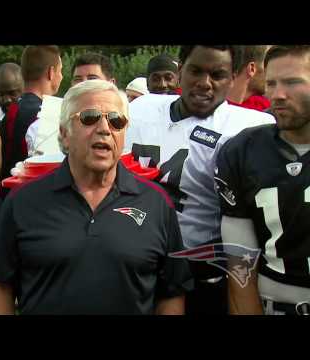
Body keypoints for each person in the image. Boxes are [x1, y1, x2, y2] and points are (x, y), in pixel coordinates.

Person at [0, 79, 193, 315]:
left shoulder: (156, 203)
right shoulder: (23, 201)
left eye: (116, 121)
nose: (105, 128)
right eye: (89, 117)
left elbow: (172, 292)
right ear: (64, 133)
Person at [125, 45, 274, 314]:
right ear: (180, 70)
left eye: (217, 74)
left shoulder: (246, 129)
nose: (205, 83)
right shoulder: (142, 108)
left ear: (232, 79)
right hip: (133, 263)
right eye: (196, 71)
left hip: (198, 273)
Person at [216, 45, 310, 315]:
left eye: (292, 82)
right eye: (271, 84)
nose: (278, 95)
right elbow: (240, 263)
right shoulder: (242, 151)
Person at [0, 46, 63, 182]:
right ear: (51, 73)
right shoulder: (48, 115)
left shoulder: (10, 110)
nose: (61, 76)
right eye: (60, 71)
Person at [227, 45, 271, 111]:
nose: (271, 73)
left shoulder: (264, 105)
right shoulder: (213, 110)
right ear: (252, 69)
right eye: (266, 65)